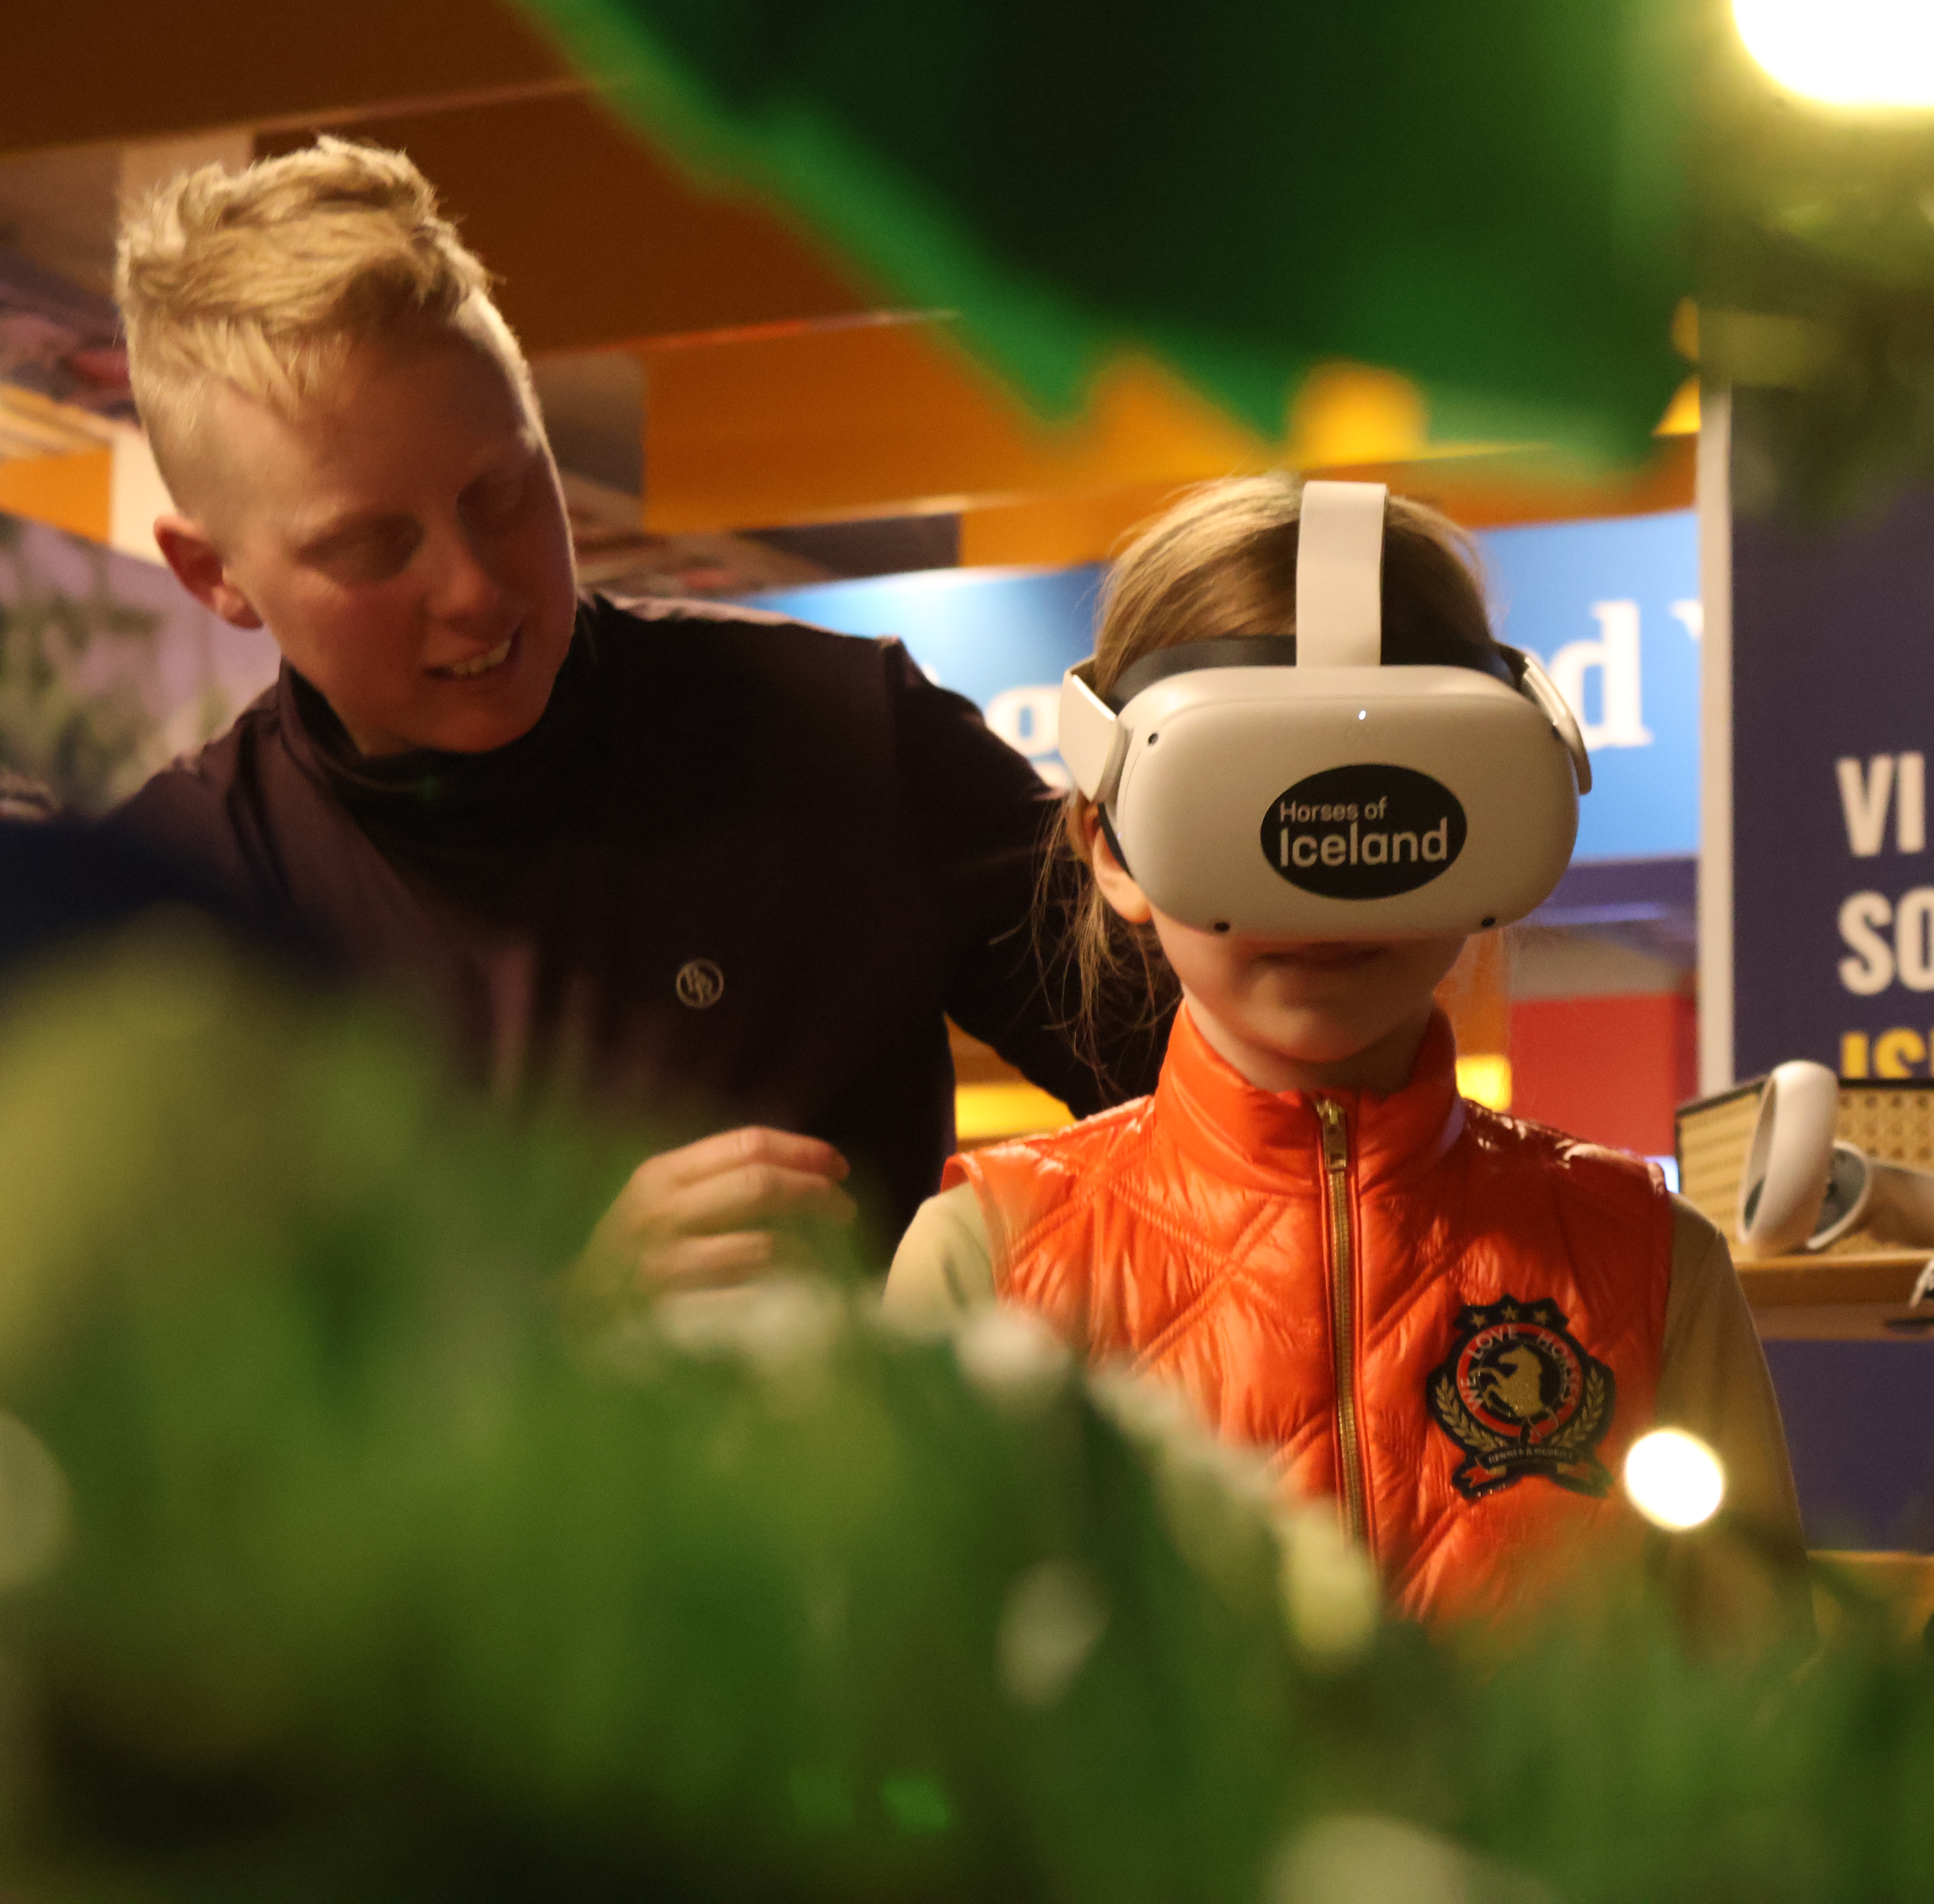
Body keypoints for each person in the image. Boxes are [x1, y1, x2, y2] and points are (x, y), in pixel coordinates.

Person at [102, 139, 1158, 1281]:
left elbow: (1242, 1101)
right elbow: (165, 1424)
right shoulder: (167, 916)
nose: (473, 586)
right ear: (212, 575)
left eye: (504, 492)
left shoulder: (848, 733)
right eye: (373, 546)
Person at [885, 477, 1801, 1632]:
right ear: (1111, 846)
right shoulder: (989, 1258)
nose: (1326, 883)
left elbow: (1761, 1714)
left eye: (1394, 805)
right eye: (1247, 803)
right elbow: (912, 1709)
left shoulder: (1652, 1264)